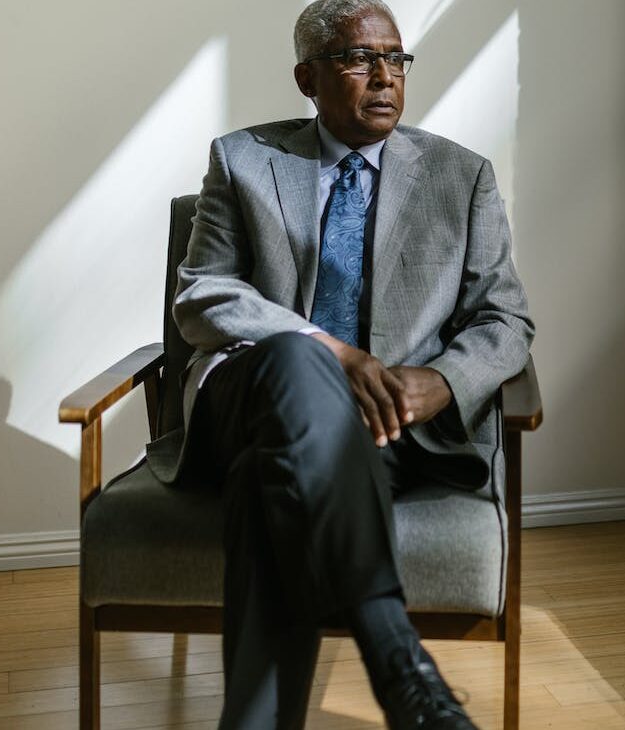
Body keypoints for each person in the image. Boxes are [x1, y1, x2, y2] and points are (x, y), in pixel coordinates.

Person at [151, 0, 534, 726]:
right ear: (307, 76)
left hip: (382, 431)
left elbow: (505, 318)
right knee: (297, 359)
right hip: (246, 398)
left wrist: (442, 381)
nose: (385, 77)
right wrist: (335, 354)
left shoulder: (461, 177)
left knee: (268, 483)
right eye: (359, 59)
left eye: (395, 58)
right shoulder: (243, 159)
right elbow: (201, 295)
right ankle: (397, 658)